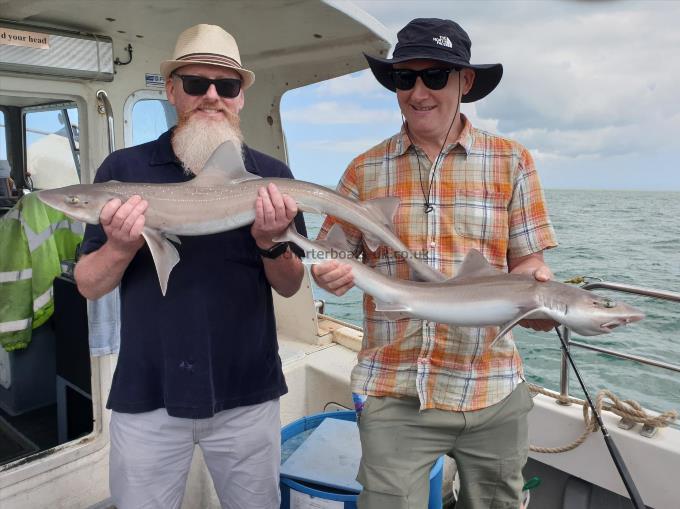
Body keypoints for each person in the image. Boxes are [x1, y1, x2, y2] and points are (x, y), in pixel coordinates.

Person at [312, 18, 558, 509]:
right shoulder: (363, 169)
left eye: (435, 76)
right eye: (406, 78)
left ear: (465, 82)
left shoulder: (513, 161)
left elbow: (529, 265)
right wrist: (327, 272)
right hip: (394, 387)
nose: (418, 91)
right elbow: (331, 255)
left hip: (490, 386)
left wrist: (543, 295)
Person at [74, 24, 305, 509]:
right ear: (173, 91)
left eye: (227, 86)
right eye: (197, 84)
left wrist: (268, 242)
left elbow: (289, 284)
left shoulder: (272, 178)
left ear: (241, 97)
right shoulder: (123, 171)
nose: (212, 97)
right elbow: (90, 286)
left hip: (248, 393)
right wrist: (119, 246)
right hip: (147, 393)